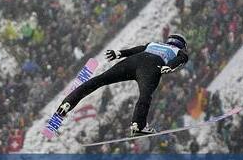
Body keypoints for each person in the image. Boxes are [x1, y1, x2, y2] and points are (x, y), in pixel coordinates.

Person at [46, 34, 189, 137]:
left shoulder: (153, 44)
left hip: (133, 61)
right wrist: (169, 66)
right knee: (145, 95)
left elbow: (135, 50)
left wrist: (119, 53)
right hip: (151, 67)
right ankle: (138, 125)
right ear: (181, 45)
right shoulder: (179, 52)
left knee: (100, 79)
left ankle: (66, 105)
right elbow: (180, 60)